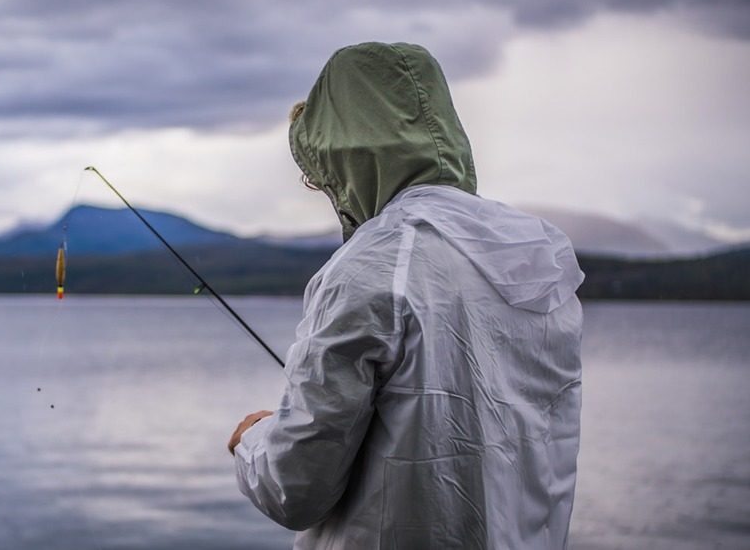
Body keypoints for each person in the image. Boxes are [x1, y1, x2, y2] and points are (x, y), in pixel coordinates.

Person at [228, 42, 585, 549]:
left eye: (322, 178)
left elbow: (296, 489)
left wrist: (253, 439)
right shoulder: (540, 260)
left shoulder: (371, 268)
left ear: (348, 160)